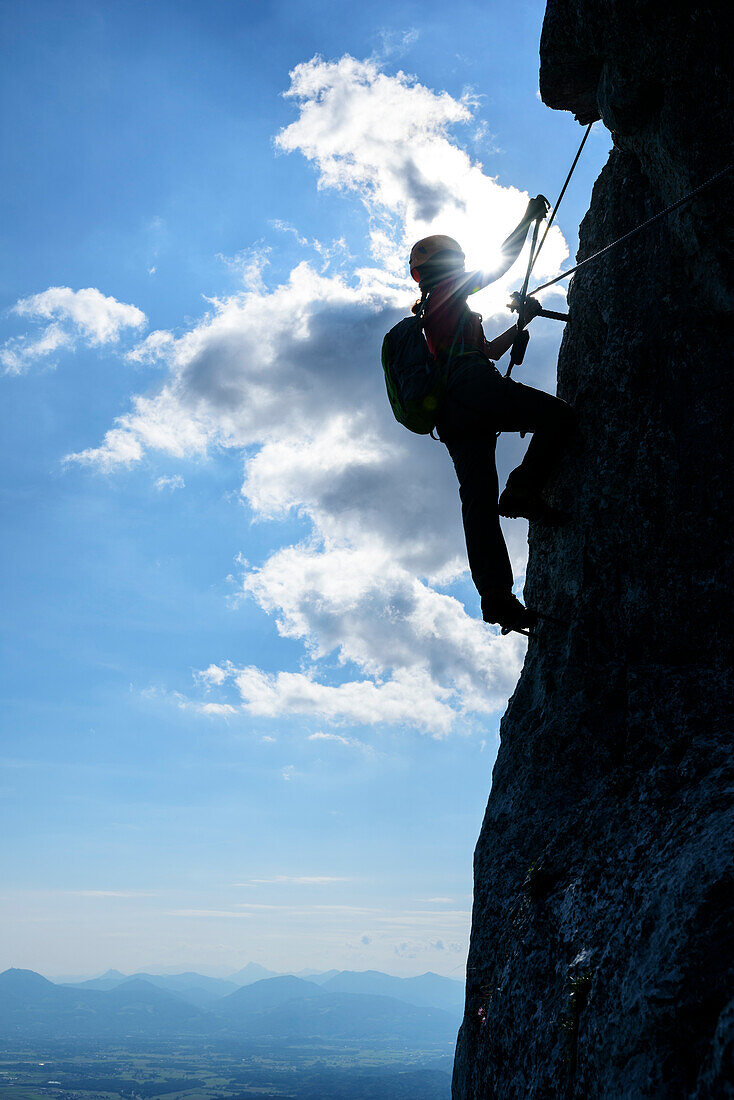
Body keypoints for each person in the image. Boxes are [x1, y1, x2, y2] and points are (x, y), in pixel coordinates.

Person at [409, 221, 576, 633]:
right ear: (451, 262)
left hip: (453, 414)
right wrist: (528, 219)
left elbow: (485, 351)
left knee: (478, 504)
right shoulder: (450, 292)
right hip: (474, 387)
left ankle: (497, 598)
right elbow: (496, 268)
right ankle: (523, 487)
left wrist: (521, 325)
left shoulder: (437, 312)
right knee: (560, 418)